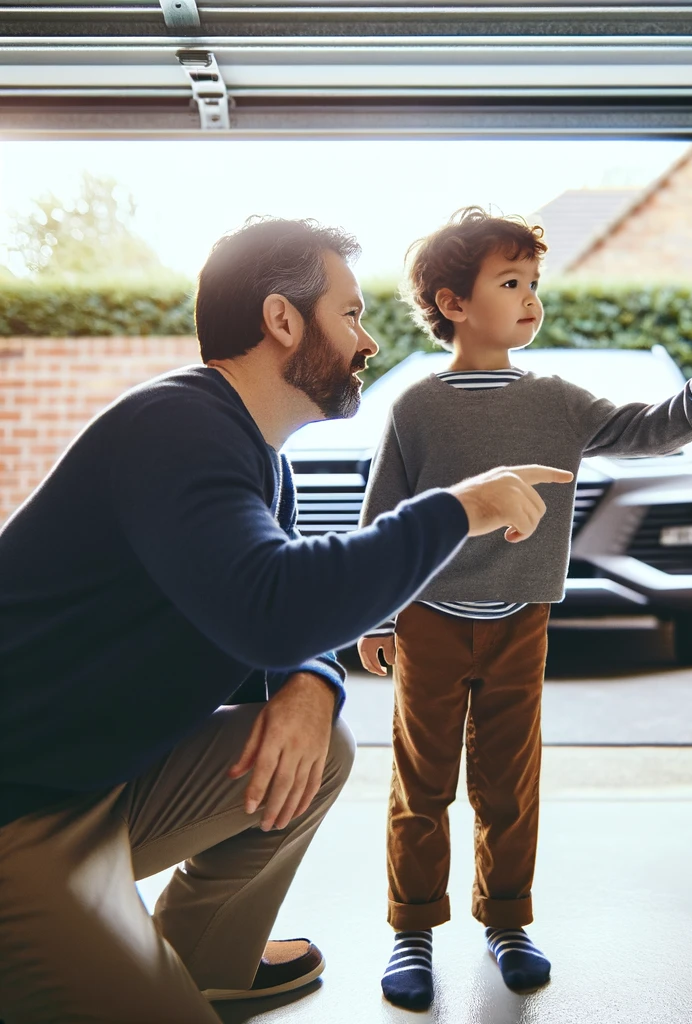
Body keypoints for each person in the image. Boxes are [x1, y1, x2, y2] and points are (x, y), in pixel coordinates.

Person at [0, 216, 573, 1024]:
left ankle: (206, 963)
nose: (367, 342)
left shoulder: (258, 461)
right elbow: (273, 608)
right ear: (281, 320)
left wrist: (310, 678)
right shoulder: (175, 429)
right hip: (17, 810)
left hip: (96, 781)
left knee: (321, 746)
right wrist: (458, 508)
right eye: (348, 316)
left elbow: (271, 618)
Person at [357, 206, 692, 1012]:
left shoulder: (555, 398)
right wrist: (376, 617)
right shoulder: (415, 406)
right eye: (510, 283)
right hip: (432, 620)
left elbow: (649, 429)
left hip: (520, 621)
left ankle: (507, 922)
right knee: (423, 783)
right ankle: (412, 931)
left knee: (510, 782)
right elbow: (385, 516)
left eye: (534, 283)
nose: (530, 298)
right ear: (452, 303)